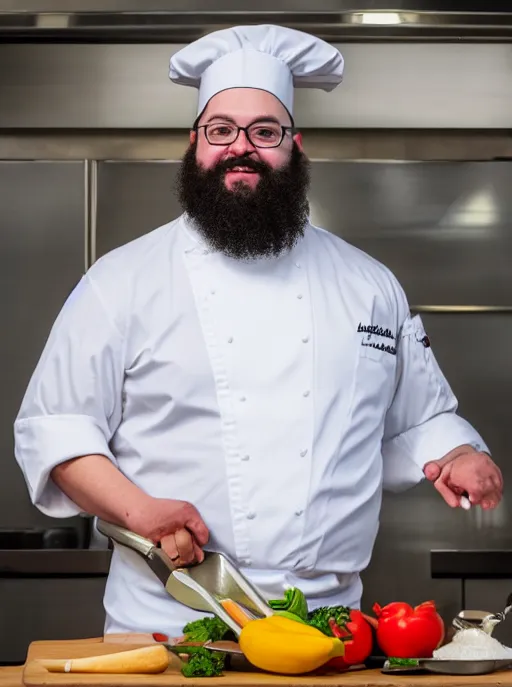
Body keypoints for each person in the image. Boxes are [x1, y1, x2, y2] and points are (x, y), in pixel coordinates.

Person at [14, 25, 502, 636]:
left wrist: (455, 452)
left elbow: (420, 419)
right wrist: (141, 510)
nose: (240, 147)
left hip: (327, 630)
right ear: (195, 144)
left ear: (294, 146)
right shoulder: (122, 282)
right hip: (168, 622)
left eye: (264, 132)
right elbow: (56, 430)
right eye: (221, 130)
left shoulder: (368, 283)